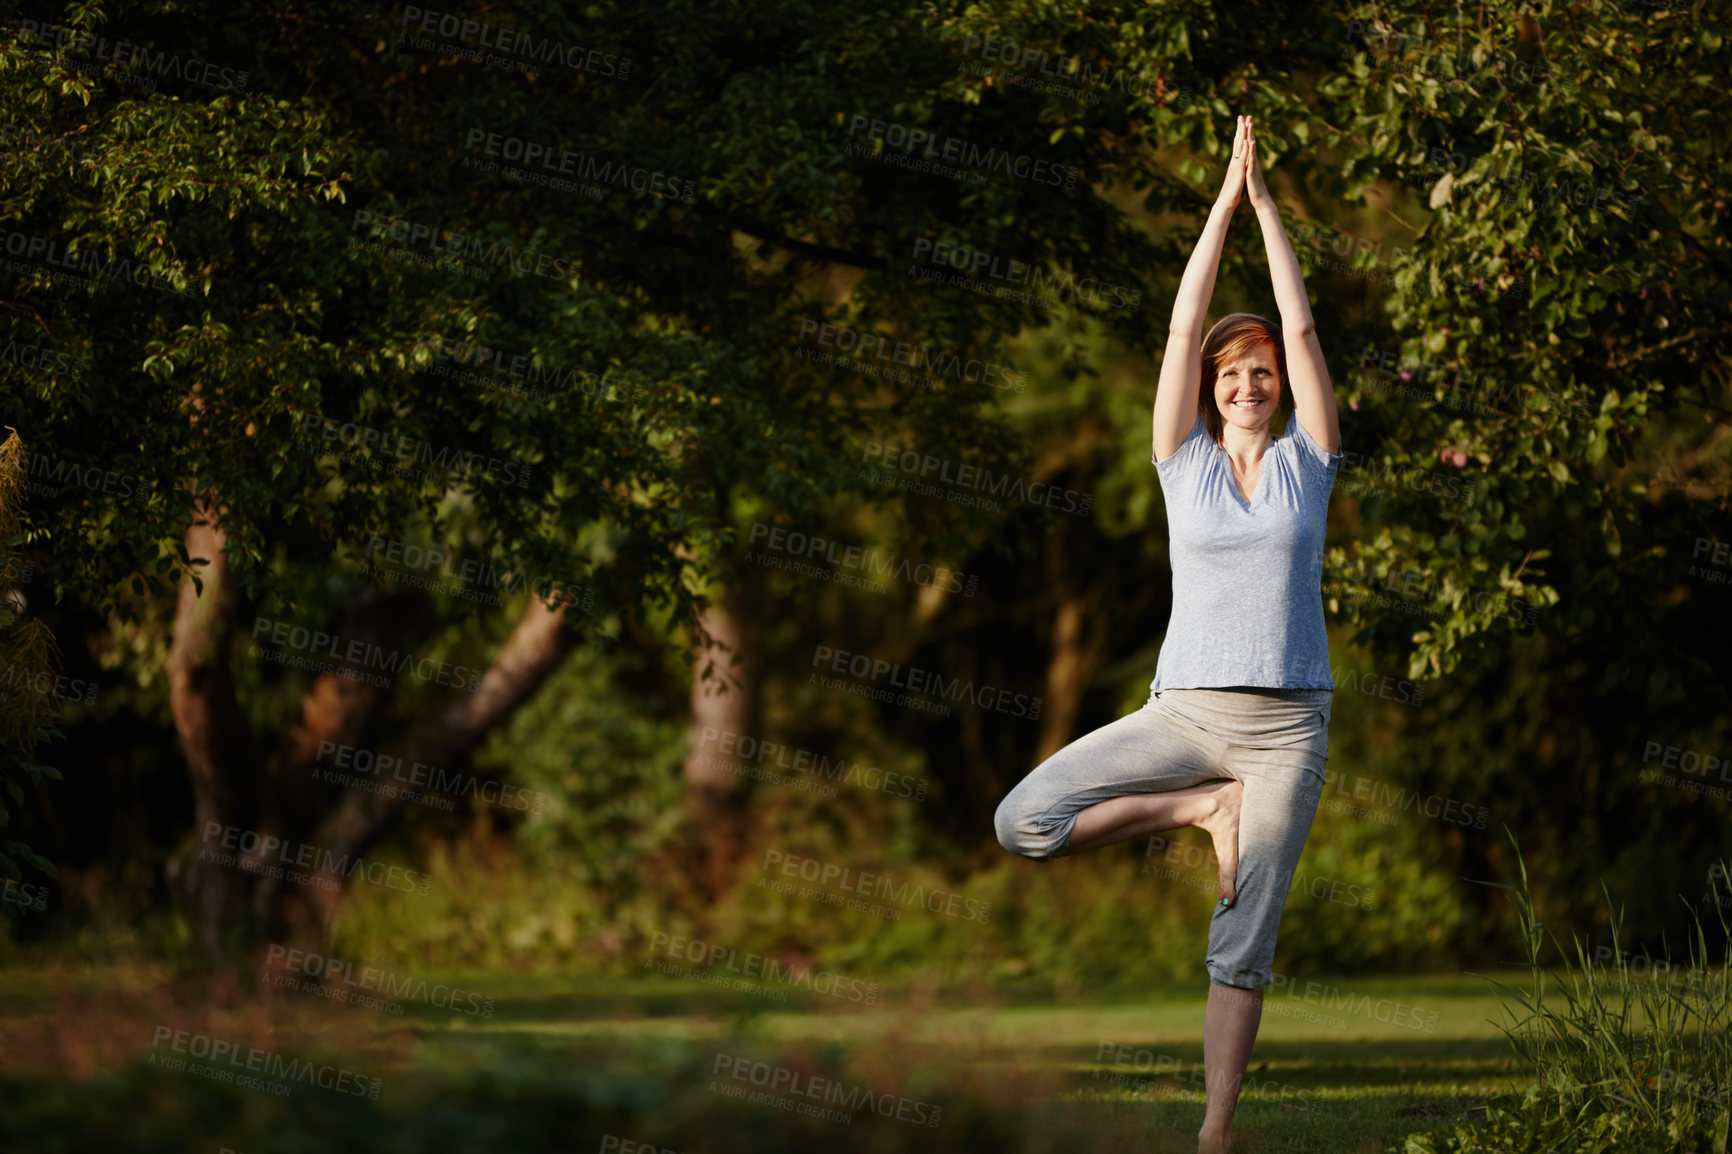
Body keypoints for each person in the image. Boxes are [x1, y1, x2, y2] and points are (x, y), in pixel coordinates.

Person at [993, 115, 1342, 1154]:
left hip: (1284, 732)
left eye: (1261, 367)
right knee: (1025, 821)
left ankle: (1215, 1130)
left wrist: (1272, 210)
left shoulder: (1308, 463)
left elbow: (1309, 329)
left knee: (1244, 941)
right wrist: (1222, 204)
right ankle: (1201, 807)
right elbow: (1183, 323)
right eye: (1230, 368)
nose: (1245, 377)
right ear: (1208, 384)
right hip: (1184, 714)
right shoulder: (1179, 460)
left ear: (1280, 383)